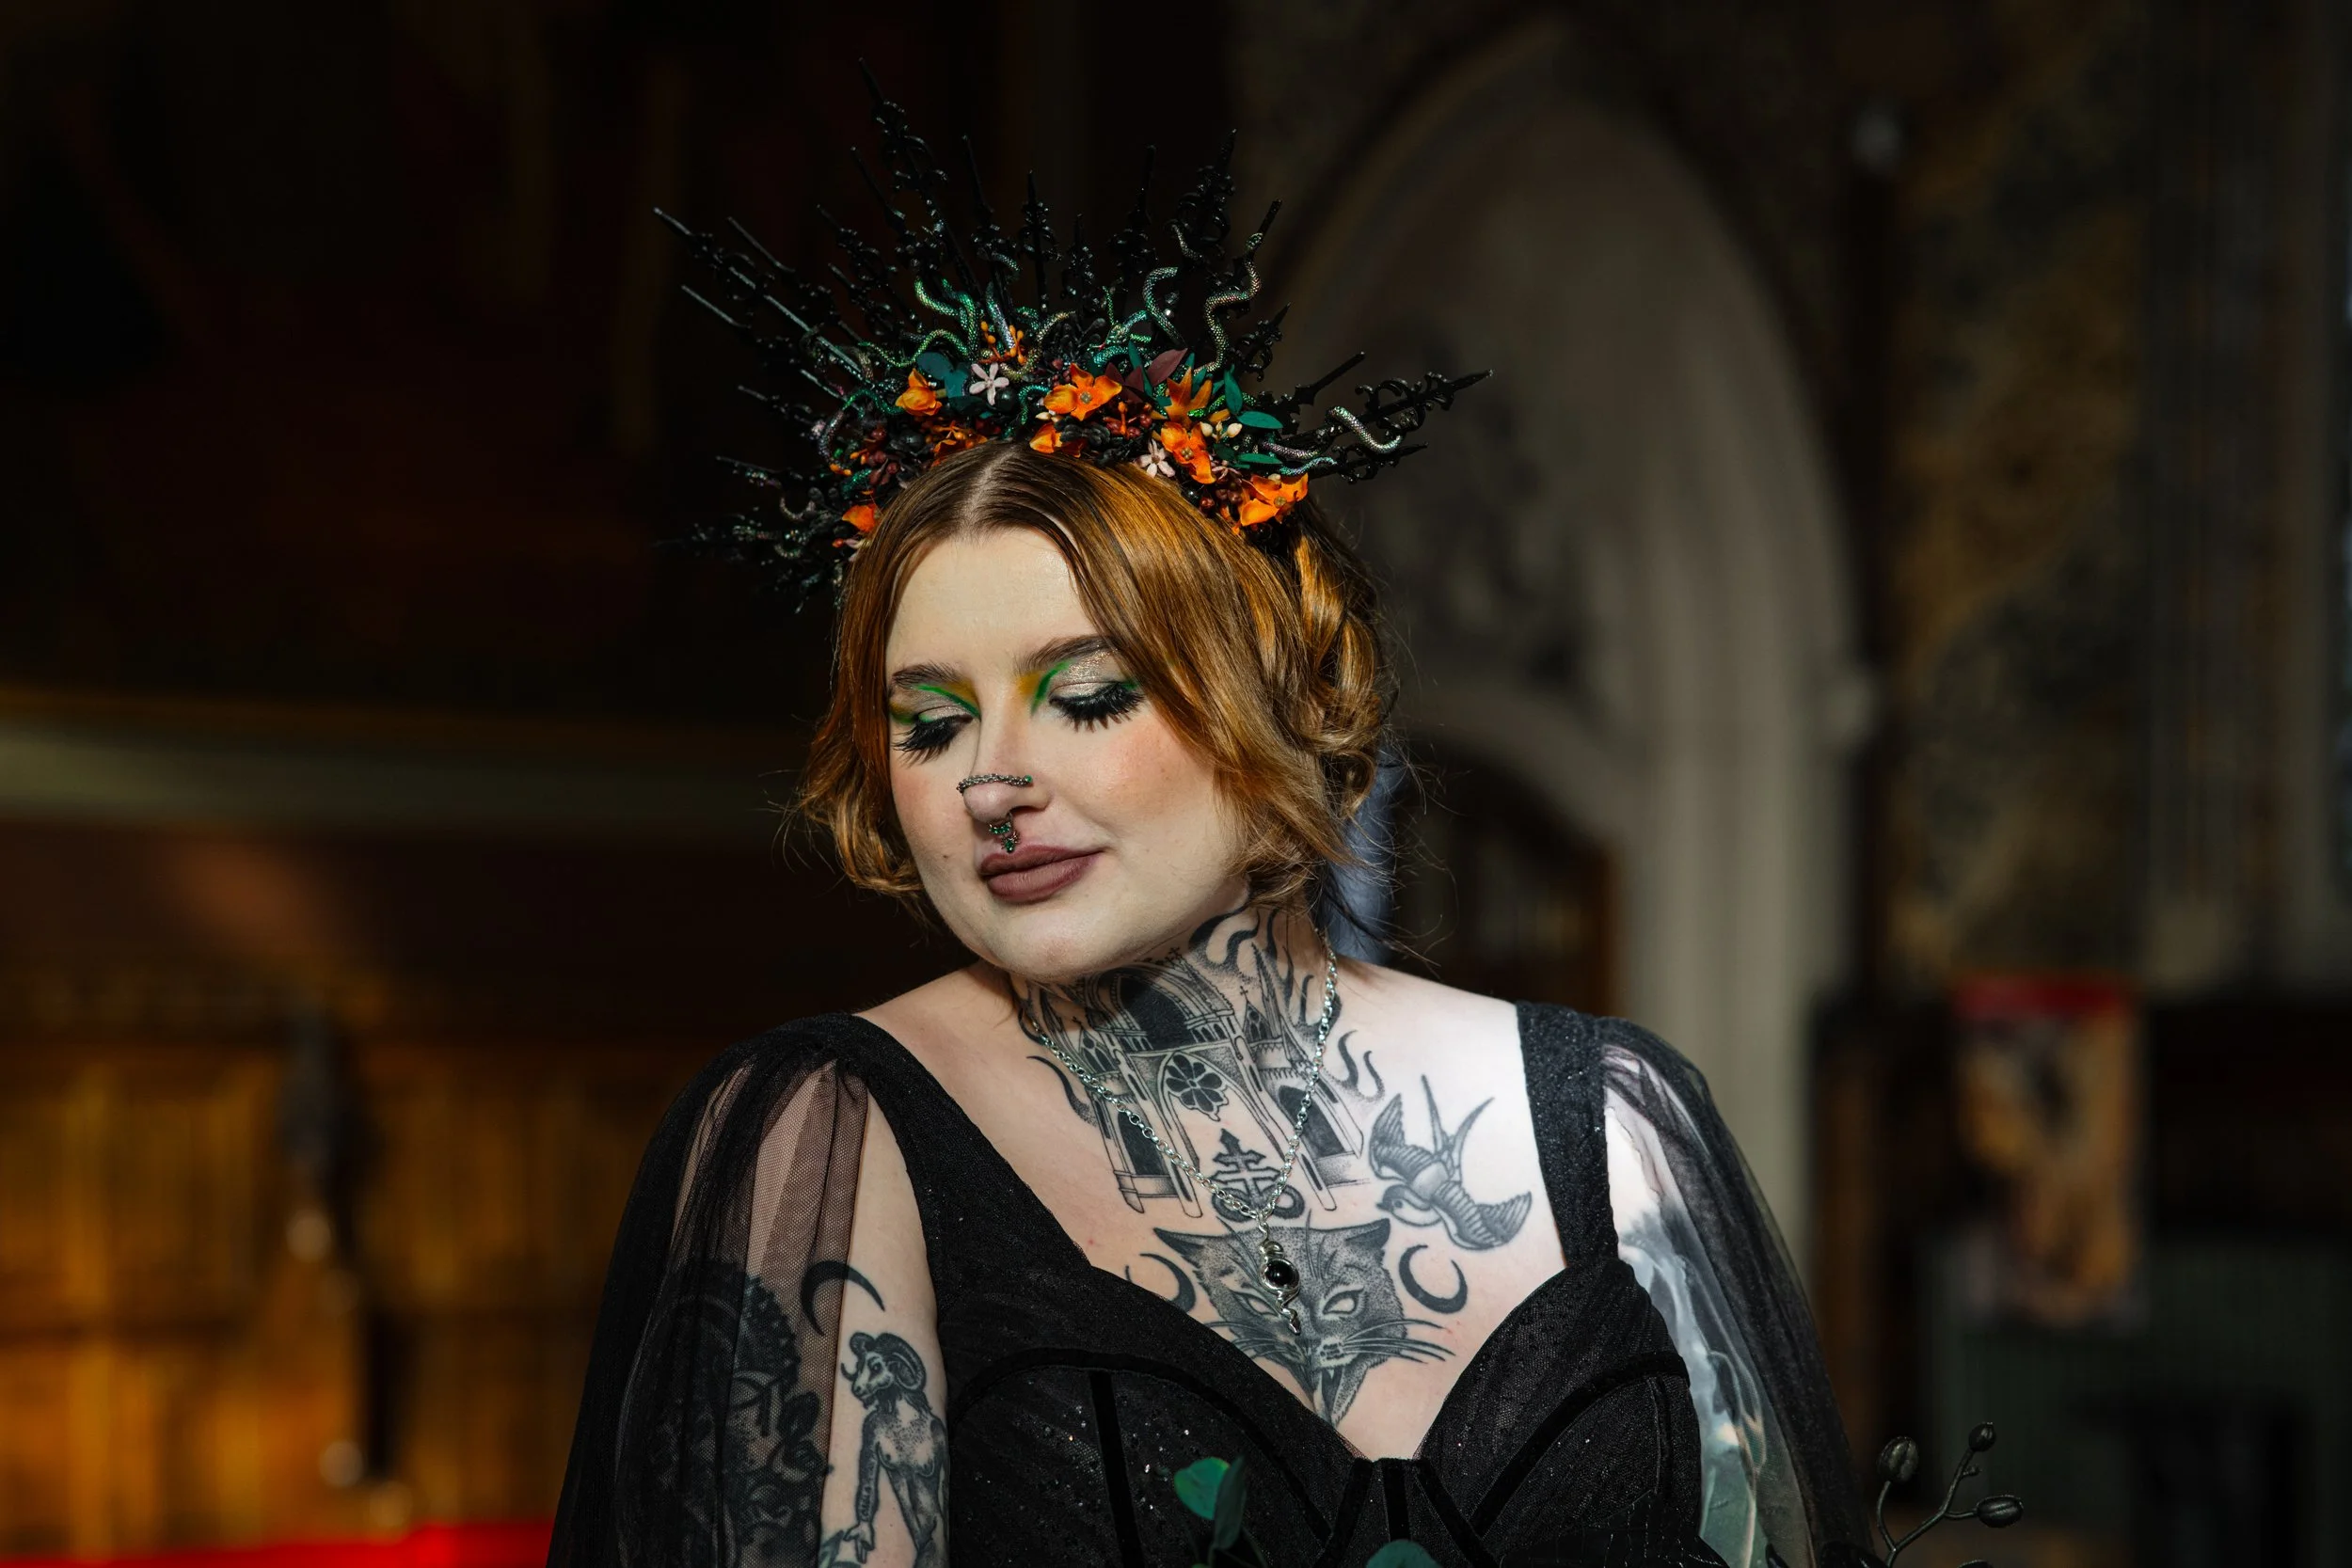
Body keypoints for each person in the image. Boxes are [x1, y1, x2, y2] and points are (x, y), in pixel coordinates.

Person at [548, 92, 1867, 1568]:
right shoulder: (838, 1129)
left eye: (1089, 696)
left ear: (1279, 698)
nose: (993, 776)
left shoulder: (1614, 1119)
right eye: (928, 724)